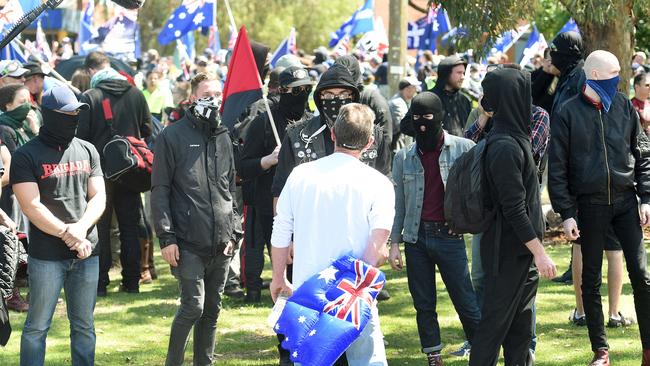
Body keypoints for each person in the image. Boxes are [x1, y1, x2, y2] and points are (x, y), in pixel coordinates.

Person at [271, 103, 394, 366]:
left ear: (333, 134)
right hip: (353, 292)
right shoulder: (379, 184)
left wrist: (278, 276)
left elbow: (281, 229)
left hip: (307, 290)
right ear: (370, 142)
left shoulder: (300, 175)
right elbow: (378, 245)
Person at [549, 50, 650, 366]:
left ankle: (648, 349)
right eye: (613, 73)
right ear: (593, 75)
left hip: (625, 203)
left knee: (643, 278)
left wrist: (646, 197)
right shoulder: (566, 113)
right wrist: (566, 213)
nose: (619, 79)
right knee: (590, 280)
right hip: (588, 207)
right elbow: (557, 170)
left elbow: (643, 153)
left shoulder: (623, 106)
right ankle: (600, 352)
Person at [469, 67, 556, 366]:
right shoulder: (504, 145)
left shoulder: (514, 137)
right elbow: (514, 208)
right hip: (506, 253)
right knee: (492, 331)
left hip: (521, 255)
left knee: (520, 332)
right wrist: (540, 253)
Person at [13, 86, 106, 366]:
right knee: (37, 327)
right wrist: (69, 233)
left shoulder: (88, 149)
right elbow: (31, 205)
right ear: (49, 115)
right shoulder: (25, 155)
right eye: (68, 113)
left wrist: (81, 228)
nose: (74, 117)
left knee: (84, 326)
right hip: (47, 256)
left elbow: (99, 196)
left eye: (77, 111)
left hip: (87, 253)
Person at [389, 92, 480, 365]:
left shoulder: (464, 148)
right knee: (423, 303)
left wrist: (465, 224)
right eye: (416, 119)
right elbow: (399, 205)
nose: (422, 124)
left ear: (440, 117)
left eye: (428, 117)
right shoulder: (403, 157)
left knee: (465, 299)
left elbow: (477, 193)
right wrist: (394, 243)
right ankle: (433, 354)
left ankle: (481, 348)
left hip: (449, 236)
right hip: (416, 238)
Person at [151, 91, 239, 366]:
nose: (211, 99)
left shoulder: (224, 135)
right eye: (205, 94)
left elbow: (231, 185)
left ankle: (205, 362)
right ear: (192, 96)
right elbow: (160, 189)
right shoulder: (171, 136)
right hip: (187, 239)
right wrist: (166, 237)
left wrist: (235, 231)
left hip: (223, 240)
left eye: (216, 93)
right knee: (193, 306)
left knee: (212, 310)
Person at [77, 51, 152, 296]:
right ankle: (131, 282)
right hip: (131, 170)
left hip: (98, 172)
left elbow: (81, 139)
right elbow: (146, 130)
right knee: (130, 226)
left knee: (99, 227)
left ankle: (99, 284)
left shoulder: (89, 96)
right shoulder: (136, 94)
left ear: (90, 71)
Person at [240, 66, 313, 303]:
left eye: (306, 89)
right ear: (282, 90)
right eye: (295, 90)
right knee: (285, 266)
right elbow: (243, 167)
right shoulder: (263, 122)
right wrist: (268, 160)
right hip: (272, 206)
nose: (301, 93)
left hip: (309, 205)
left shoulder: (314, 123)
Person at [271, 63, 390, 202]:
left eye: (343, 94)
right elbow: (280, 190)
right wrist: (281, 224)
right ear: (319, 98)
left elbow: (385, 183)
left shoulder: (373, 135)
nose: (336, 100)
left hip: (359, 219)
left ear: (353, 97)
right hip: (311, 218)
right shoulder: (297, 135)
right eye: (328, 95)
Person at [388, 77, 420, 153]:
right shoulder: (398, 103)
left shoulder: (403, 101)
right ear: (407, 89)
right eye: (414, 87)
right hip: (396, 145)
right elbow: (403, 126)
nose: (416, 90)